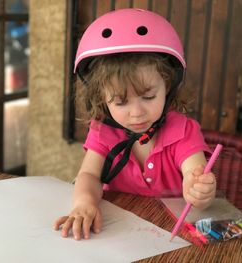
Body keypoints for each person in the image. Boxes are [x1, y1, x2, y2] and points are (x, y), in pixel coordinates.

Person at [53, 8, 216, 240]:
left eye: (148, 97)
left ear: (168, 86)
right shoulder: (103, 131)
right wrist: (84, 203)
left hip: (172, 236)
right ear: (101, 98)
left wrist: (198, 188)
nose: (137, 113)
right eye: (120, 101)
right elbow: (89, 174)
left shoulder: (183, 131)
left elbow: (194, 172)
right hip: (114, 234)